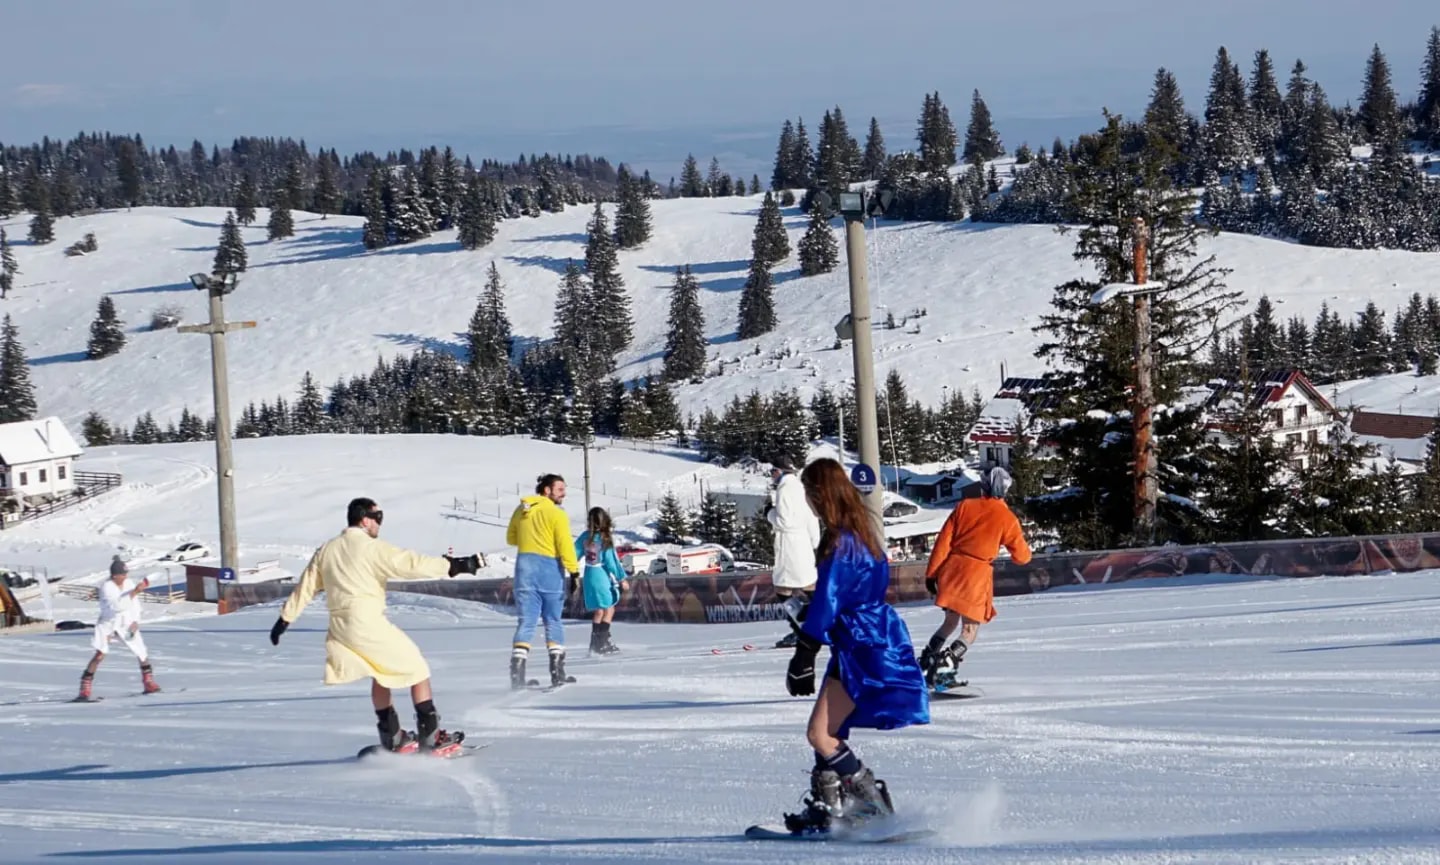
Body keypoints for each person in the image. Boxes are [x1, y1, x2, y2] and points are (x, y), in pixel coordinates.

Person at [781, 458, 929, 833]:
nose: (808, 503)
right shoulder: (861, 535)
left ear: (820, 495)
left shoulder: (842, 542)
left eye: (809, 494)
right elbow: (842, 597)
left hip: (864, 645)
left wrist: (804, 653)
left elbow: (829, 601)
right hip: (866, 639)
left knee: (819, 734)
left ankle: (872, 803)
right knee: (829, 730)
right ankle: (828, 807)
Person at [268, 497, 482, 752]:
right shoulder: (370, 548)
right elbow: (410, 564)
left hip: (340, 627)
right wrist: (456, 565)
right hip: (367, 622)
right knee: (418, 670)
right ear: (364, 520)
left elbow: (307, 585)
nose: (380, 523)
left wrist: (285, 619)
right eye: (377, 517)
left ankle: (392, 737)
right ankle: (431, 737)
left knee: (380, 672)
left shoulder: (327, 549)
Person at [919, 466, 1032, 686]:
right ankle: (945, 667)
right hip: (975, 576)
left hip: (952, 570)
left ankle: (926, 661)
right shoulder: (1007, 518)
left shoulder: (964, 506)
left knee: (949, 622)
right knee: (969, 630)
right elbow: (1022, 557)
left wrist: (932, 574)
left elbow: (943, 542)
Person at [505, 474, 580, 689]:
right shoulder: (557, 514)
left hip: (525, 570)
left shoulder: (522, 510)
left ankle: (517, 676)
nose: (564, 494)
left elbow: (511, 538)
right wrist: (574, 572)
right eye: (560, 489)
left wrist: (530, 537)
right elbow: (565, 544)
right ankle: (557, 673)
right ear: (547, 490)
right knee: (553, 620)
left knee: (526, 622)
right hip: (549, 570)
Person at [78, 556, 160, 700]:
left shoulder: (128, 583)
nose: (125, 577)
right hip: (108, 623)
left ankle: (148, 682)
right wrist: (135, 592)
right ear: (115, 575)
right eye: (122, 574)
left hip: (126, 622)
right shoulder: (106, 587)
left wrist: (136, 621)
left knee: (141, 651)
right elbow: (117, 607)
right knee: (100, 654)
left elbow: (134, 604)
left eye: (126, 574)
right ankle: (85, 688)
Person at [766, 456, 821, 649]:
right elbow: (813, 519)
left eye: (772, 471)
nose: (771, 475)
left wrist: (769, 513)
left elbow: (784, 522)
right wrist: (814, 542)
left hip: (789, 545)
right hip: (804, 543)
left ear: (780, 471)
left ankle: (802, 629)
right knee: (809, 586)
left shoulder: (784, 489)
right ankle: (824, 622)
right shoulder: (802, 488)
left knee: (783, 589)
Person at [575, 507, 629, 656]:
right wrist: (621, 578)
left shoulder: (585, 537)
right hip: (600, 575)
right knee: (609, 608)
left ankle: (595, 644)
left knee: (599, 610)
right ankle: (602, 642)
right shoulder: (604, 539)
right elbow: (612, 561)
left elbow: (574, 553)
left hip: (589, 574)